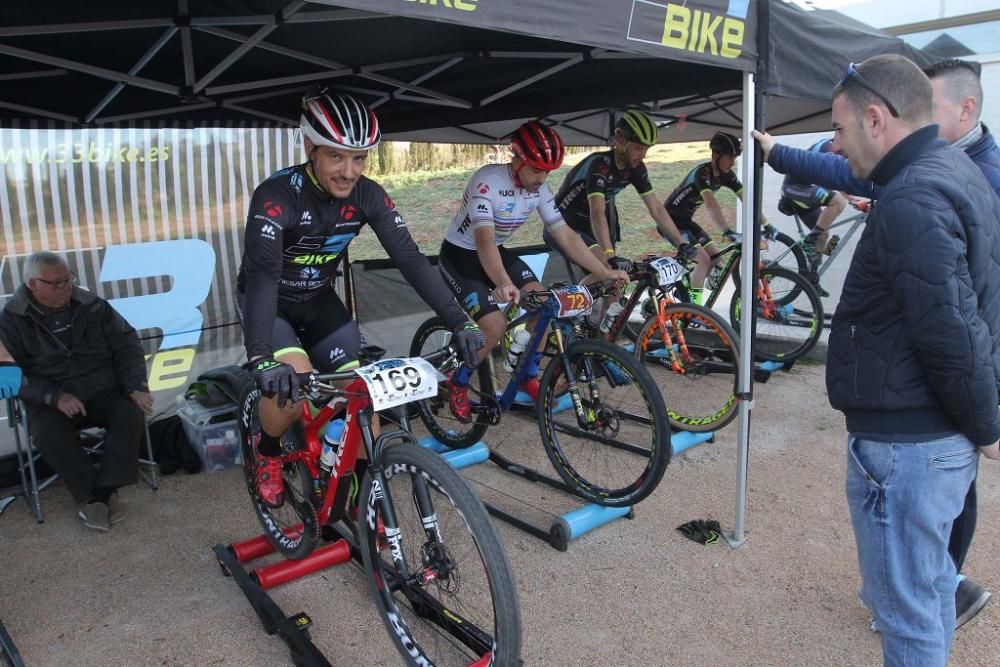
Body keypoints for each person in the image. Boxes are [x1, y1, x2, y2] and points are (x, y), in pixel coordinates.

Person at [754, 57, 1000, 629]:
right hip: (927, 415)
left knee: (912, 613)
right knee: (921, 575)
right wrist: (775, 153)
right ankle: (935, 586)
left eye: (839, 131)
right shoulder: (939, 168)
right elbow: (846, 174)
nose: (835, 145)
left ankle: (942, 587)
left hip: (916, 430)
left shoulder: (926, 188)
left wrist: (987, 425)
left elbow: (953, 325)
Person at [237, 87, 483, 508]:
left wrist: (459, 320)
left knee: (360, 400)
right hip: (270, 303)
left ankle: (354, 483)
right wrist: (261, 357)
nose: (349, 171)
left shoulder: (368, 195)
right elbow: (261, 277)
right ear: (311, 147)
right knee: (289, 390)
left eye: (360, 158)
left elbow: (411, 261)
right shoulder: (276, 196)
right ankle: (269, 453)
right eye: (337, 156)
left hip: (318, 301)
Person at [439, 121, 629, 421]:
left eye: (548, 172)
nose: (542, 178)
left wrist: (603, 271)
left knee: (543, 304)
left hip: (494, 253)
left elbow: (565, 234)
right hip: (461, 257)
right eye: (537, 170)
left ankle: (527, 374)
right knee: (494, 326)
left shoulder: (539, 189)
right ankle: (458, 381)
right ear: (518, 160)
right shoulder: (487, 181)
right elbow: (484, 240)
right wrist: (502, 282)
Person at [0, 252, 153, 532]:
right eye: (56, 283)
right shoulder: (10, 319)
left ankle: (102, 494)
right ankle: (90, 495)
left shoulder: (92, 305)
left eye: (68, 280)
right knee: (47, 433)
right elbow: (10, 372)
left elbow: (128, 346)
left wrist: (136, 386)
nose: (66, 288)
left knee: (130, 411)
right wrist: (54, 396)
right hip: (48, 399)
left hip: (100, 388)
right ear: (33, 284)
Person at [552, 109, 692, 270]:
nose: (643, 155)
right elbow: (597, 211)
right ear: (620, 140)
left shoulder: (636, 168)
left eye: (647, 149)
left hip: (587, 226)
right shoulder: (600, 165)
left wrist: (681, 243)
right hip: (561, 224)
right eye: (639, 148)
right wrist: (609, 253)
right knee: (607, 269)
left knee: (617, 282)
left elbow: (656, 208)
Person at [662, 131, 760, 304]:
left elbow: (746, 197)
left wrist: (764, 223)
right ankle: (695, 307)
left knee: (716, 258)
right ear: (715, 155)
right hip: (669, 222)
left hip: (685, 221)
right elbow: (711, 203)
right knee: (703, 259)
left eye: (734, 157)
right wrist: (727, 230)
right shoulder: (702, 173)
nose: (732, 162)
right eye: (729, 157)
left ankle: (686, 287)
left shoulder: (726, 175)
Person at [776, 137, 848, 296]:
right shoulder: (828, 147)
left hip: (806, 191)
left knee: (824, 233)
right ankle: (809, 241)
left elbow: (845, 184)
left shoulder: (844, 152)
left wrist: (859, 203)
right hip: (793, 189)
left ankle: (812, 279)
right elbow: (840, 190)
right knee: (838, 202)